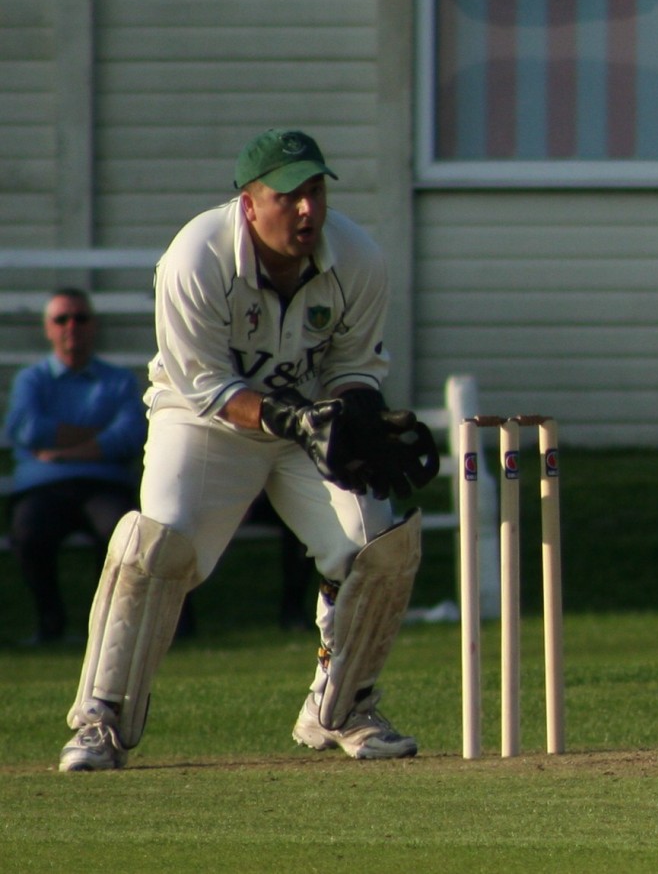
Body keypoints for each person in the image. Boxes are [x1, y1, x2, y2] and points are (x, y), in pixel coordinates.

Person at [57, 128, 440, 772]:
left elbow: (353, 367)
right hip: (203, 421)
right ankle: (101, 720)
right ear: (249, 203)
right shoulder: (195, 257)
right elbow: (205, 384)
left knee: (376, 546)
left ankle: (342, 706)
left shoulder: (358, 258)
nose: (307, 210)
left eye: (315, 192)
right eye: (288, 196)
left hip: (308, 424)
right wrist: (293, 418)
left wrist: (357, 416)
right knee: (159, 542)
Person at [6, 289, 147, 645]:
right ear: (48, 328)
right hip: (42, 489)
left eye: (80, 318)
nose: (72, 326)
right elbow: (25, 428)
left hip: (104, 486)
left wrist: (63, 450)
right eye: (61, 319)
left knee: (123, 537)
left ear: (93, 325)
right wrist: (99, 437)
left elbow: (131, 435)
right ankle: (50, 622)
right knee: (28, 534)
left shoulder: (120, 380)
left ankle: (110, 632)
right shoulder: (31, 379)